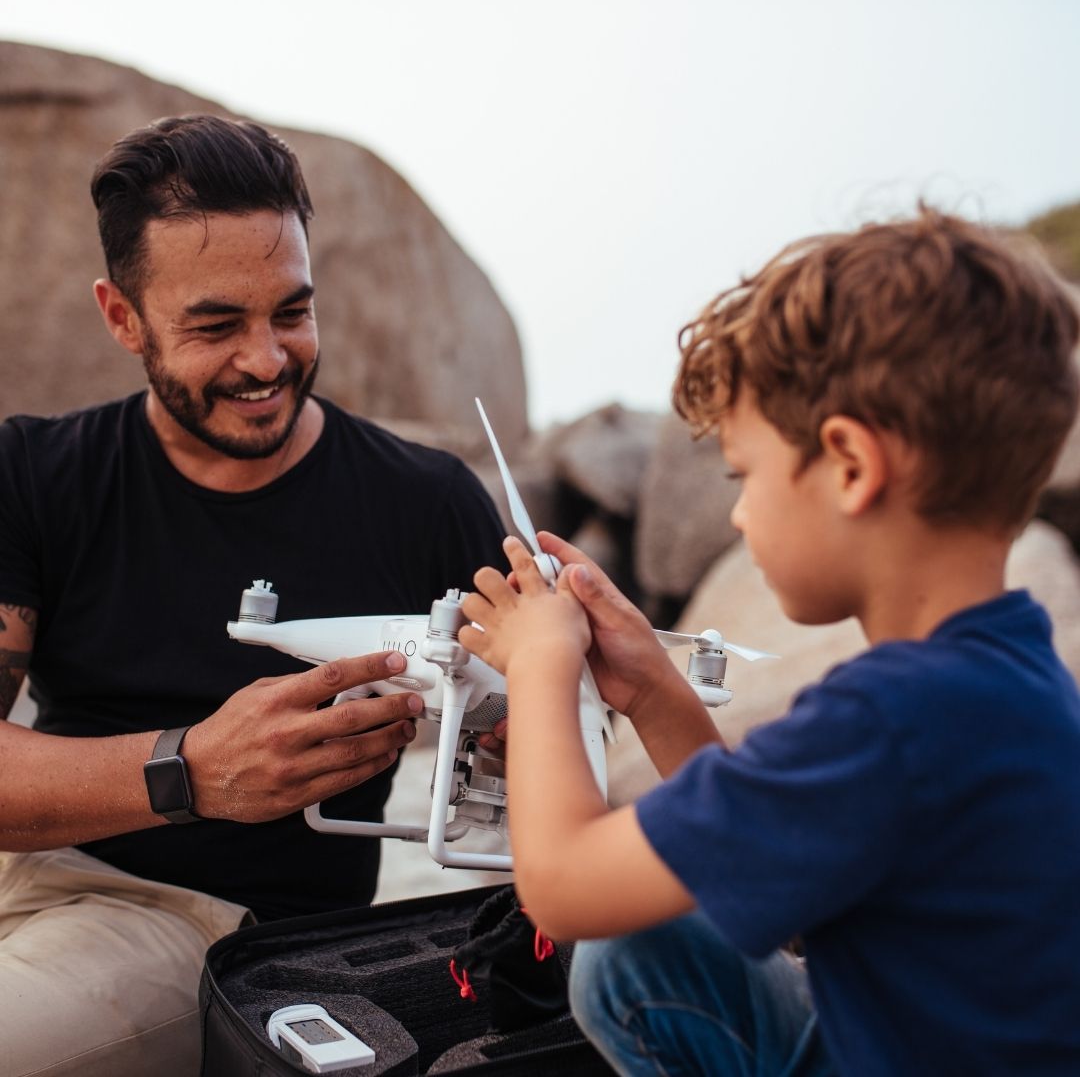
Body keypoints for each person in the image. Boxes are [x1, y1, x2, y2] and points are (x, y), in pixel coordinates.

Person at [459, 207, 1080, 1075]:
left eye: (744, 476)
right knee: (650, 951)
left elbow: (563, 891)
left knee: (620, 948)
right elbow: (786, 872)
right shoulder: (1007, 678)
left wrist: (541, 665)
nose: (740, 513)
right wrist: (649, 690)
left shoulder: (892, 719)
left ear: (851, 467)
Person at [0, 114, 506, 1076]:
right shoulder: (30, 473)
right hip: (40, 879)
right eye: (216, 324)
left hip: (239, 945)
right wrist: (191, 770)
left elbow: (550, 739)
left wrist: (523, 726)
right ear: (122, 318)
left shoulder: (427, 499)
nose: (268, 360)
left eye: (292, 311)